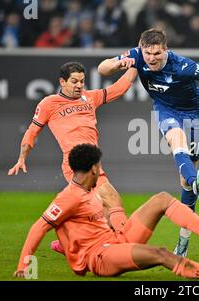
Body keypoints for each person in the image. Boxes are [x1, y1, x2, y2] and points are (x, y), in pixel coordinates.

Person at [14, 144, 199, 280]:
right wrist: (25, 266)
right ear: (94, 168)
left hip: (116, 239)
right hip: (101, 257)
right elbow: (40, 226)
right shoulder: (69, 197)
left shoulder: (89, 191)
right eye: (99, 166)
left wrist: (64, 246)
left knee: (161, 199)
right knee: (160, 253)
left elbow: (78, 229)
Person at [97, 28, 199, 257]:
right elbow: (102, 67)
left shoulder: (182, 66)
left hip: (194, 116)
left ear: (165, 50)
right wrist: (118, 65)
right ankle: (194, 179)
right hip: (166, 110)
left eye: (157, 53)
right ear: (142, 48)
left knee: (185, 184)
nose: (152, 58)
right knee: (175, 139)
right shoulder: (137, 55)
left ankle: (184, 238)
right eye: (148, 53)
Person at [8, 62, 137, 250]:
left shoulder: (89, 97)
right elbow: (32, 132)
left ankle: (68, 243)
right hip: (76, 164)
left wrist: (136, 63)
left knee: (98, 210)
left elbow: (118, 89)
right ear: (62, 82)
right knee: (111, 199)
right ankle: (127, 247)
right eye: (74, 81)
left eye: (82, 81)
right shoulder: (48, 104)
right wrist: (22, 157)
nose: (79, 85)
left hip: (93, 163)